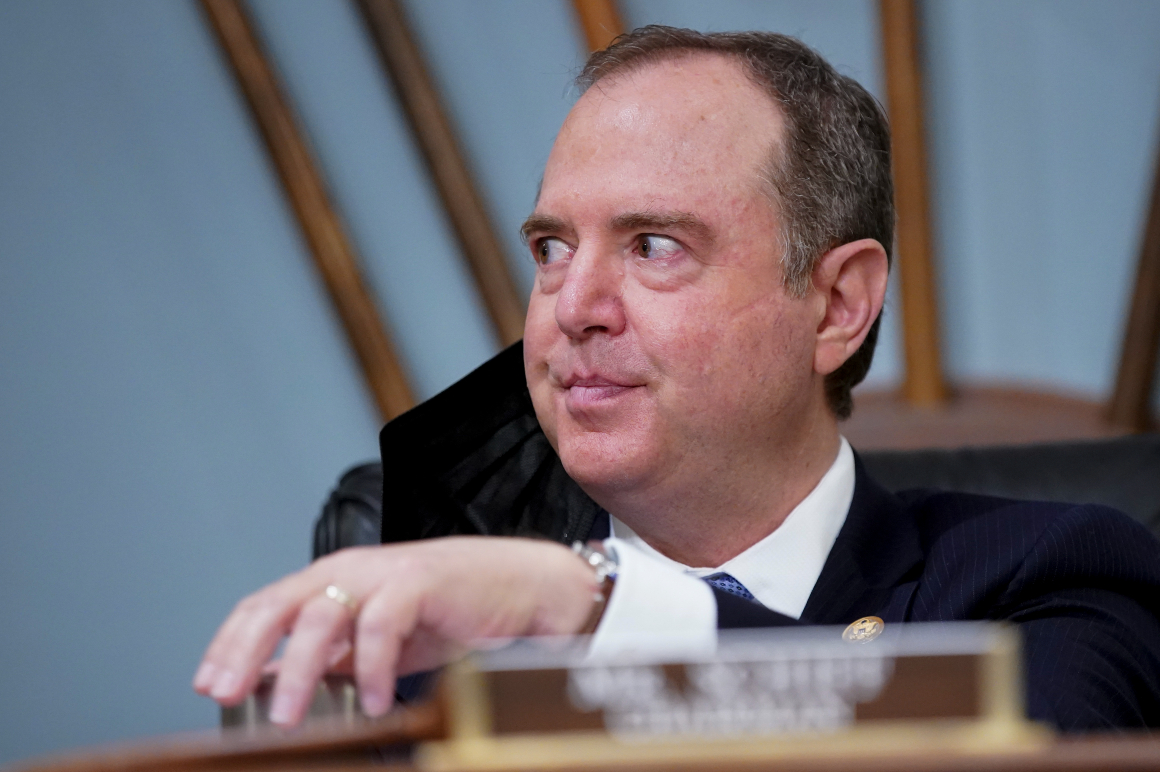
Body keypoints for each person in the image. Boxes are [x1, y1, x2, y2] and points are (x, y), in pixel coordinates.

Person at [193, 26, 1160, 731]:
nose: (575, 305)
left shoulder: (1051, 573)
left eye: (653, 246)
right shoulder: (429, 651)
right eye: (552, 247)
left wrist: (591, 605)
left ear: (836, 305)